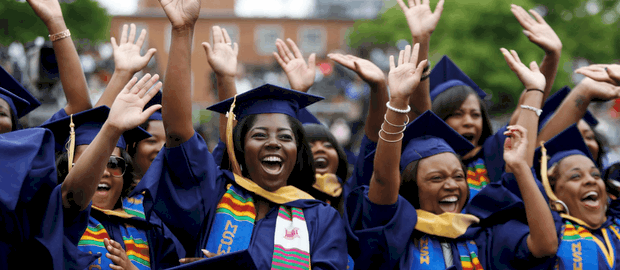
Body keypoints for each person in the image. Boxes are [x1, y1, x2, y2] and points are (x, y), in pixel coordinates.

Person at [133, 1, 347, 268]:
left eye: (285, 137)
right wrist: (182, 31)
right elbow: (177, 133)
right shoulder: (216, 193)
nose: (273, 143)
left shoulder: (321, 219)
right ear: (240, 148)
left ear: (297, 151)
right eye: (259, 135)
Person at [42, 74, 181, 270]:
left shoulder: (148, 225)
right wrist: (112, 128)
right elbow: (71, 195)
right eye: (91, 164)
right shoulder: (55, 216)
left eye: (114, 163)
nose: (104, 171)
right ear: (67, 169)